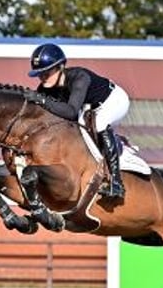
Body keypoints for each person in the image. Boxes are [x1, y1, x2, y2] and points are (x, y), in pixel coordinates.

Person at [25, 42, 130, 199]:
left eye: (47, 72)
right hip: (88, 108)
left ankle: (116, 183)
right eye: (40, 73)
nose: (42, 77)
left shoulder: (80, 77)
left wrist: (42, 100)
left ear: (60, 67)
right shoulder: (46, 88)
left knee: (100, 123)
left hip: (113, 101)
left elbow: (71, 112)